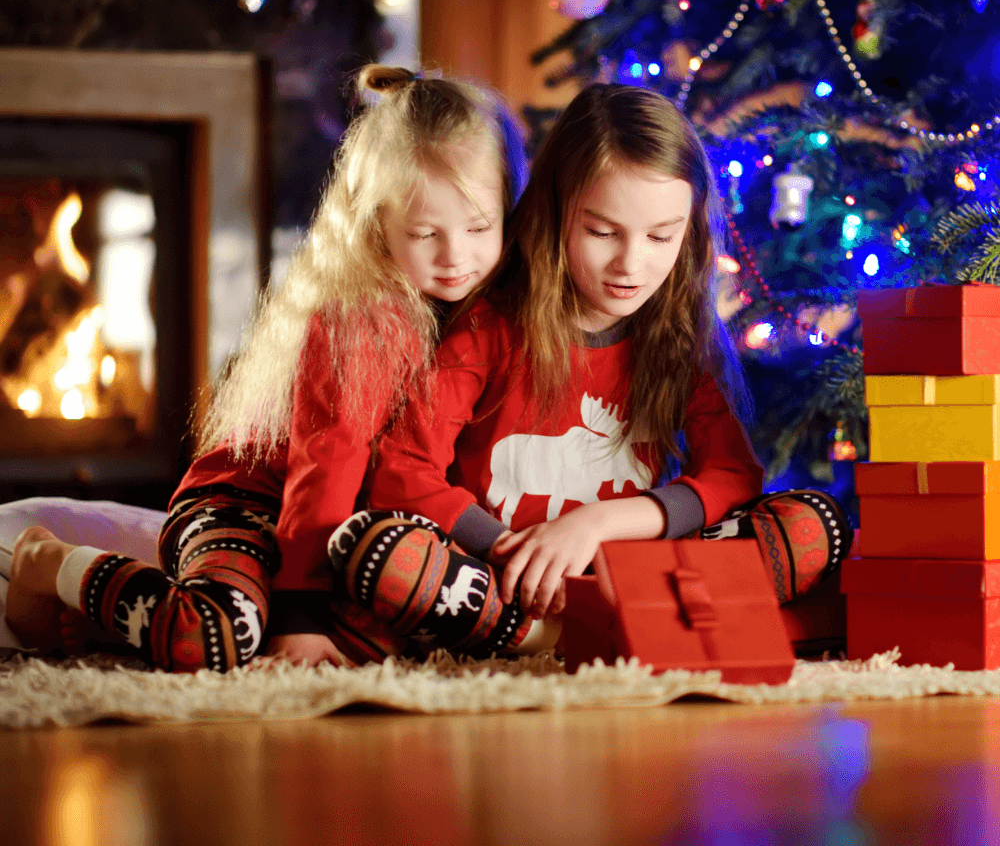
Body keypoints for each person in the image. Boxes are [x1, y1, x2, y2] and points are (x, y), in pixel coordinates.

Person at [3, 64, 526, 671]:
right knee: (217, 639)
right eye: (424, 233)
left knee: (392, 628)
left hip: (348, 533)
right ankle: (49, 565)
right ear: (376, 226)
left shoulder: (492, 313)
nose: (456, 256)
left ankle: (129, 613)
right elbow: (323, 469)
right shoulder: (362, 321)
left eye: (480, 228)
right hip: (251, 505)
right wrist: (299, 619)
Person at [325, 83, 852, 658]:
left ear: (691, 230)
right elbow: (403, 473)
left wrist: (598, 524)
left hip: (633, 570)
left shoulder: (676, 340)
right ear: (557, 214)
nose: (631, 264)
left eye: (660, 236)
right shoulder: (490, 328)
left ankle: (606, 624)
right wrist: (513, 550)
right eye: (602, 233)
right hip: (506, 578)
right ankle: (568, 634)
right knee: (374, 548)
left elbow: (732, 474)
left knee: (812, 523)